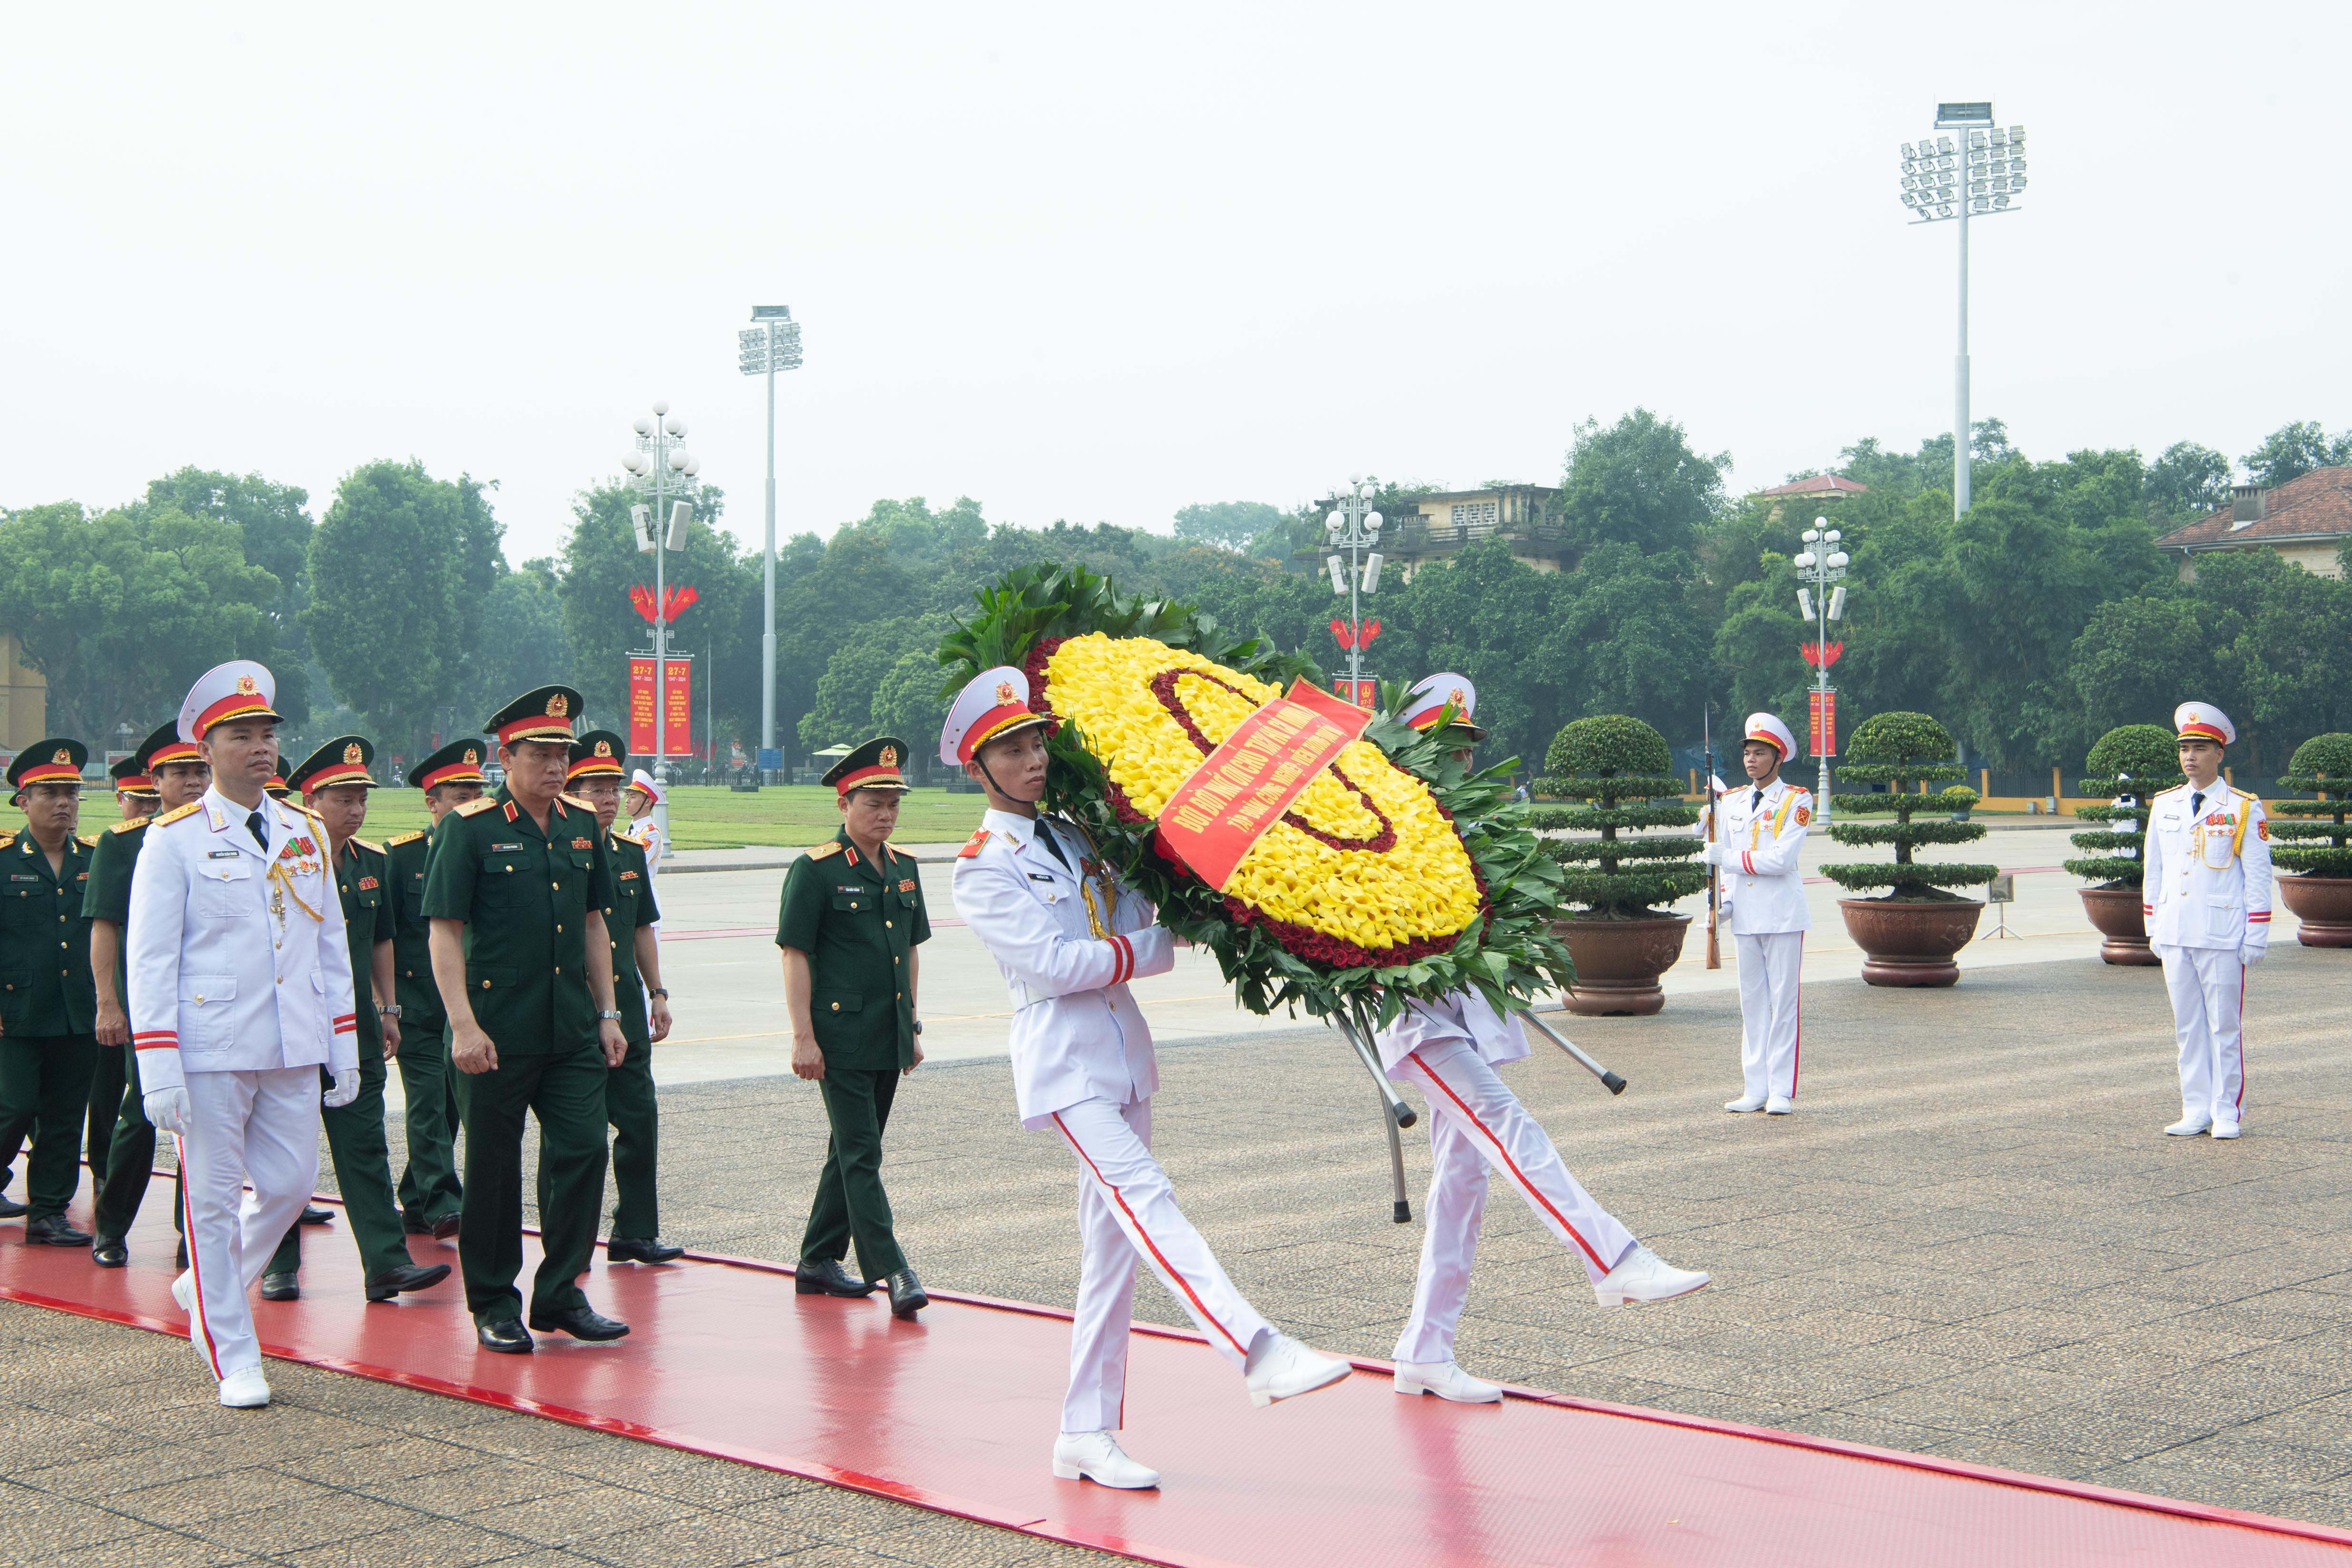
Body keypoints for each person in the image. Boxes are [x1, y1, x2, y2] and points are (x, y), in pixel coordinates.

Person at [946, 665, 1351, 1493]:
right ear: (974, 767)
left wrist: (1143, 944)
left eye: (1033, 744)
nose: (1031, 760)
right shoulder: (981, 865)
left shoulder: (1076, 837)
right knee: (1146, 1199)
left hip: (1123, 1050)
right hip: (1062, 1063)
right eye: (1010, 749)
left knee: (1110, 1256)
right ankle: (1254, 1348)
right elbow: (1058, 965)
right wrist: (1139, 951)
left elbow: (1139, 926)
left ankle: (1083, 1433)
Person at [1375, 678, 1708, 1404]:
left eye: (1466, 751)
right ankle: (1611, 1258)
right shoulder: (1384, 822)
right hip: (1420, 1020)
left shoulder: (1468, 825)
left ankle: (1425, 1350)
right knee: (1509, 1127)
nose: (1460, 765)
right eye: (1446, 750)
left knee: (1462, 1186)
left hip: (1466, 1015)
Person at [127, 660, 362, 1408]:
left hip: (293, 1043)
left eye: (267, 734)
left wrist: (343, 1044)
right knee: (214, 1204)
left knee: (292, 1187)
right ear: (208, 749)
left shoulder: (303, 831)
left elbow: (330, 946)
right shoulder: (175, 839)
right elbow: (151, 958)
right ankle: (232, 1351)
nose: (261, 748)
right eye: (242, 736)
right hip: (212, 1047)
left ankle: (205, 1282)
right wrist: (158, 1065)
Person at [422, 685, 631, 1354]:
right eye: (539, 753)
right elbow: (444, 932)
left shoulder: (579, 825)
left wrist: (609, 1013)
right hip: (496, 1030)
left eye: (561, 753)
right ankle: (492, 1301)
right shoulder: (470, 828)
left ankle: (562, 1290)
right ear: (504, 755)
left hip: (570, 1026)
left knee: (583, 1150)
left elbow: (597, 924)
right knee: (492, 1169)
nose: (554, 766)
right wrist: (461, 1025)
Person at [255, 737, 451, 1304]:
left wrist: (387, 1008)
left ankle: (387, 1262)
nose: (356, 809)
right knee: (286, 1153)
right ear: (310, 800)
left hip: (355, 1029)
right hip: (291, 1030)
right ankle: (279, 1262)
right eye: (343, 797)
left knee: (366, 1147)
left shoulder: (373, 863)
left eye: (361, 797)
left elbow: (382, 940)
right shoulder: (280, 858)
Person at [775, 735, 928, 1315]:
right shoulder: (815, 871)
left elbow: (911, 952)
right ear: (844, 804)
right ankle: (892, 1268)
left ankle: (817, 1257)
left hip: (887, 1034)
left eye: (893, 803)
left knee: (851, 1149)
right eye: (873, 802)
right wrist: (803, 1036)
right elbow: (795, 953)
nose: (885, 814)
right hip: (837, 1038)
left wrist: (911, 1025)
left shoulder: (906, 869)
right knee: (863, 1154)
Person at [86, 723, 210, 1266]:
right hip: (151, 1000)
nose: (193, 781)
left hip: (209, 999)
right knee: (141, 1112)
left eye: (199, 770)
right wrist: (108, 1002)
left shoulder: (222, 832)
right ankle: (112, 1225)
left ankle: (193, 1232)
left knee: (203, 1114)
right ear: (155, 779)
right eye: (180, 772)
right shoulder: (125, 841)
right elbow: (105, 926)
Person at [565, 730, 682, 1264]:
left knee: (639, 1118)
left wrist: (657, 991)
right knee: (579, 1136)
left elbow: (641, 929)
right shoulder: (559, 850)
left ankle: (635, 1230)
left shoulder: (630, 852)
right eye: (595, 787)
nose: (609, 798)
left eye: (614, 787)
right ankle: (570, 1242)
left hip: (629, 1011)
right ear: (570, 790)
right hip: (575, 1009)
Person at [2145, 702, 2272, 1140]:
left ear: (2220, 754)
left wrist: (2256, 935)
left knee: (2224, 1027)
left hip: (2222, 934)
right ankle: (2195, 1107)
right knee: (2188, 1027)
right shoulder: (2165, 805)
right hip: (2176, 930)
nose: (2190, 757)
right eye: (2184, 749)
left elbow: (2257, 876)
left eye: (2200, 748)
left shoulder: (2242, 808)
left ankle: (2227, 1111)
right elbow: (2155, 871)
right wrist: (2153, 926)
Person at [382, 738, 487, 1237]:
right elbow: (384, 935)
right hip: (418, 1006)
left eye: (477, 791)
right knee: (427, 1102)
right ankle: (445, 1201)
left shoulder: (489, 847)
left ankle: (415, 1198)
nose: (471, 802)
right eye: (459, 792)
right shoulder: (401, 857)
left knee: (448, 1108)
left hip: (467, 1007)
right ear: (432, 801)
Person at [0, 740, 101, 1246]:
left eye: (71, 793)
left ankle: (48, 1212)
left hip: (77, 1010)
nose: (64, 802)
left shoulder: (94, 859)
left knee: (65, 1116)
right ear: (22, 799)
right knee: (14, 1105)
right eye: (50, 792)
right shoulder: (3, 860)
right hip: (16, 1012)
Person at [1699, 713, 1812, 1115]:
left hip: (1782, 915)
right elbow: (1724, 871)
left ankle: (1781, 1090)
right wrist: (1723, 904)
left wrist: (1726, 857)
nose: (1751, 760)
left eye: (1760, 753)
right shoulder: (1730, 802)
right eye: (1747, 752)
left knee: (1783, 1005)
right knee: (1751, 1004)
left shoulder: (1797, 800)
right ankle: (1755, 1087)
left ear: (1777, 758)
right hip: (1745, 916)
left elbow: (1781, 859)